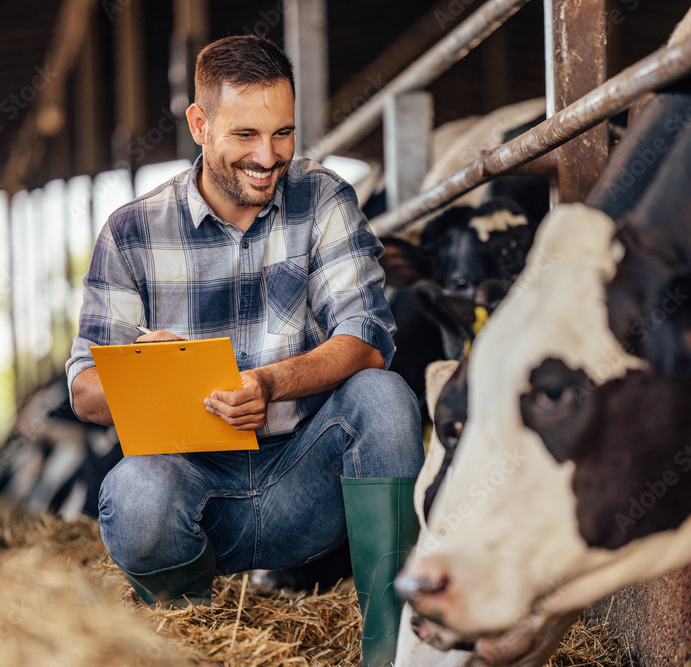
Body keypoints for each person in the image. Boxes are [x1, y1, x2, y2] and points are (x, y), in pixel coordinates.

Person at [65, 35, 424, 667]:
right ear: (199, 125)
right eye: (245, 135)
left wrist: (267, 384)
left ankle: (392, 651)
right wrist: (147, 371)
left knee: (386, 398)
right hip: (197, 490)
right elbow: (84, 390)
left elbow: (366, 338)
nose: (268, 156)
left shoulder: (324, 199)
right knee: (135, 494)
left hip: (310, 479)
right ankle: (194, 643)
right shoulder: (132, 232)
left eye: (283, 133)